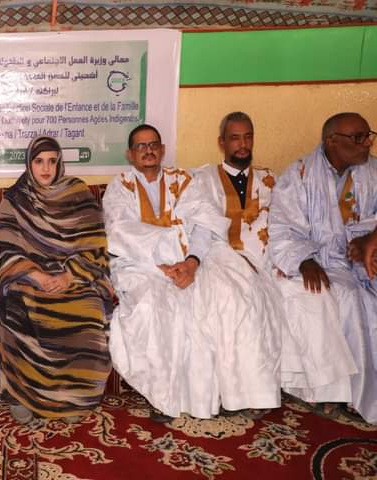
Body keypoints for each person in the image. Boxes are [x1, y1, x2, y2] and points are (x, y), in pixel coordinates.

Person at [103, 124, 281, 422]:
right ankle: (165, 398)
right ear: (130, 154)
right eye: (140, 146)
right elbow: (121, 233)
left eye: (153, 144)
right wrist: (162, 264)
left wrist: (192, 262)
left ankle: (238, 394)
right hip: (142, 264)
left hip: (193, 259)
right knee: (154, 306)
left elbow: (205, 225)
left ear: (162, 150)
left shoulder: (184, 180)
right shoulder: (119, 186)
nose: (148, 150)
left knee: (231, 296)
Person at [193, 112, 357, 415]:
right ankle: (252, 394)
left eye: (248, 137)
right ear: (221, 143)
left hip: (272, 260)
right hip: (225, 260)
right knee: (241, 303)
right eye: (235, 138)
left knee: (313, 294)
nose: (243, 144)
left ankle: (323, 390)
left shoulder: (270, 179)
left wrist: (296, 257)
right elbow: (202, 229)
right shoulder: (203, 179)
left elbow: (288, 224)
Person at [0, 136, 113, 424]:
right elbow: (3, 248)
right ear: (29, 164)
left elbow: (95, 245)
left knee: (88, 307)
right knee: (18, 302)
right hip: (27, 274)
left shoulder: (78, 193)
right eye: (39, 161)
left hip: (73, 274)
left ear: (60, 163)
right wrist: (35, 275)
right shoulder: (16, 198)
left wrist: (68, 276)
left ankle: (72, 396)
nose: (46, 168)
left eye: (52, 161)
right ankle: (21, 394)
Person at [269, 112, 377, 424]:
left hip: (366, 259)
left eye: (368, 135)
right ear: (331, 141)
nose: (367, 143)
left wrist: (368, 240)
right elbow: (283, 227)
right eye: (358, 137)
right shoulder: (299, 175)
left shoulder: (373, 171)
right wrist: (304, 260)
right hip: (326, 261)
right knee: (346, 297)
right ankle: (353, 393)